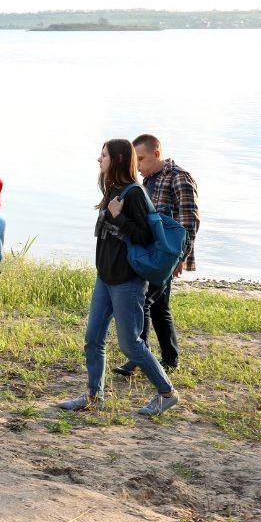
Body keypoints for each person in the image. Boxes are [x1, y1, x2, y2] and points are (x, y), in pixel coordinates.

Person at [58, 139, 179, 417]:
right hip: (106, 278)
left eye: (103, 156)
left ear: (119, 159)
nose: (99, 160)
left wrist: (119, 217)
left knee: (130, 344)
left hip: (127, 281)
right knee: (93, 339)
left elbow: (146, 237)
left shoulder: (134, 193)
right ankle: (92, 395)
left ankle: (167, 393)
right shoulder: (111, 188)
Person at [113, 134, 200, 376]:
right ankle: (165, 359)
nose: (137, 164)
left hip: (166, 254)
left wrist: (181, 256)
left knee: (145, 302)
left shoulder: (179, 177)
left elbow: (189, 221)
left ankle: (143, 357)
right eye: (135, 159)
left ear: (157, 154)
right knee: (158, 305)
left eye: (140, 158)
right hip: (149, 252)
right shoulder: (146, 180)